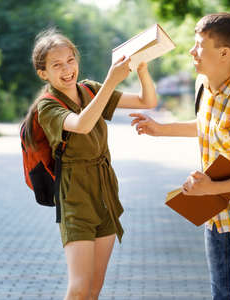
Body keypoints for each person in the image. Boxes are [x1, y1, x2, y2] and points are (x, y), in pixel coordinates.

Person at [130, 13, 230, 300]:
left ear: (224, 53)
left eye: (199, 45)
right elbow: (207, 126)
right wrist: (160, 129)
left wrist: (211, 188)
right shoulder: (204, 87)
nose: (191, 51)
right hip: (214, 209)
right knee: (219, 292)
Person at [22, 28, 157, 300]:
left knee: (94, 289)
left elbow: (148, 101)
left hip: (104, 193)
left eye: (70, 60)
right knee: (79, 288)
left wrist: (141, 68)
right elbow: (82, 125)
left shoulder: (89, 89)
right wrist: (110, 81)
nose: (67, 69)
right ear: (43, 73)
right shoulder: (47, 107)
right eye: (56, 65)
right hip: (75, 197)